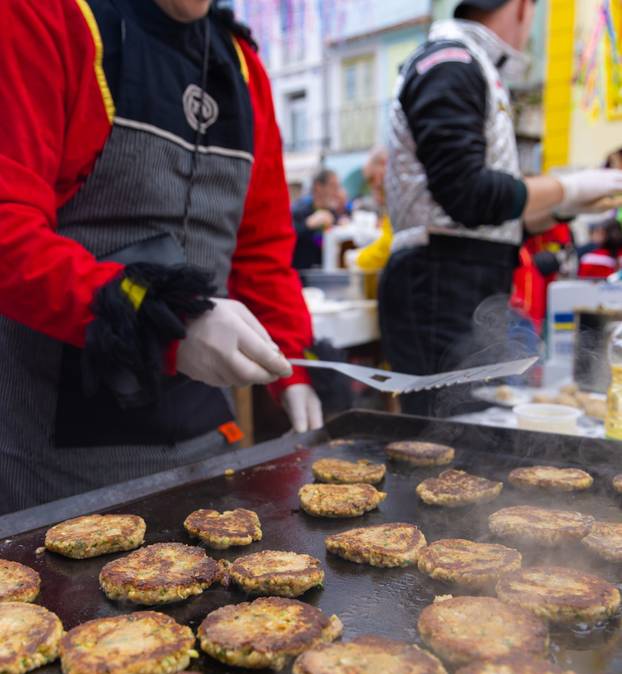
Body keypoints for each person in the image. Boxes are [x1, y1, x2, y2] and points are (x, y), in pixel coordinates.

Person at [0, 0, 323, 513]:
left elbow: (260, 248)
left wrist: (292, 367)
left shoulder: (243, 66)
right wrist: (166, 320)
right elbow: (8, 233)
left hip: (205, 434)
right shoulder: (49, 15)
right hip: (55, 445)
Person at [381, 0, 622, 414]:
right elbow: (467, 195)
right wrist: (567, 186)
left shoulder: (472, 63)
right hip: (438, 279)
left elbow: (491, 219)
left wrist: (567, 206)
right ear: (523, 7)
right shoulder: (451, 62)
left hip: (460, 275)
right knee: (444, 435)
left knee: (475, 427)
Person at [291, 169, 343, 269]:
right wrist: (308, 224)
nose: (337, 191)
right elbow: (287, 236)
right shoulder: (299, 210)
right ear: (318, 187)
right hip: (302, 274)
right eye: (333, 186)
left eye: (338, 186)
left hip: (324, 274)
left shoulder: (332, 213)